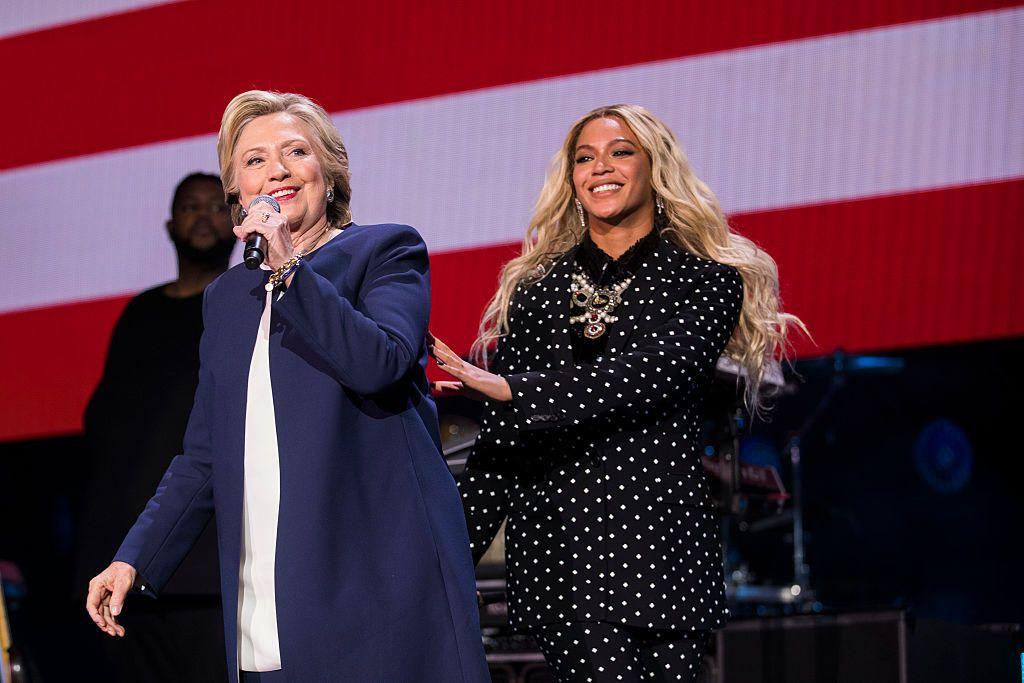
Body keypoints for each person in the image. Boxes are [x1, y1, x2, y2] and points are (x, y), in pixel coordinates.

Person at [85, 90, 489, 683]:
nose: (275, 169)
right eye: (253, 160)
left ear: (329, 174)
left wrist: (290, 273)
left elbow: (381, 362)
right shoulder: (228, 298)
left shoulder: (384, 251)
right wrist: (135, 557)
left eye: (295, 152)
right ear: (237, 197)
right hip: (267, 589)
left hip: (376, 580)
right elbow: (203, 454)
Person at [431, 104, 804, 682]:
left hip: (665, 553)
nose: (600, 167)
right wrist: (448, 563)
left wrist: (514, 389)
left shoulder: (704, 278)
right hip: (566, 557)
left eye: (620, 151)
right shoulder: (536, 290)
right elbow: (501, 450)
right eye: (585, 157)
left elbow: (648, 377)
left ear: (654, 166)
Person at [75, 172, 234, 682]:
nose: (203, 216)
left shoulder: (247, 304)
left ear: (236, 222)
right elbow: (105, 427)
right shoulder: (140, 314)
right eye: (191, 206)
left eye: (215, 205)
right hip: (127, 559)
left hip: (210, 564)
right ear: (170, 224)